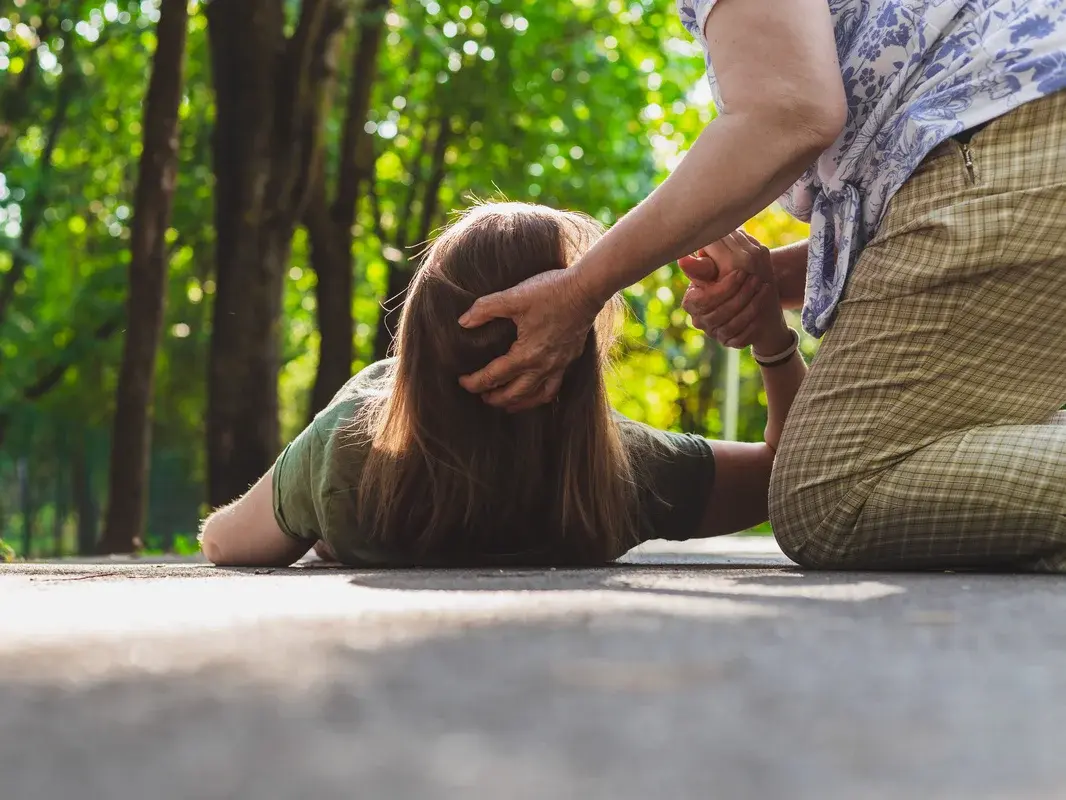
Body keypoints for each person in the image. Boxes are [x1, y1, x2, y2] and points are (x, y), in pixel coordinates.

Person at [455, 1, 1066, 571]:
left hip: (1011, 127)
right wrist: (768, 287)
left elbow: (789, 111)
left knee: (829, 498)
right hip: (1027, 122)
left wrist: (582, 288)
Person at [198, 203, 805, 568]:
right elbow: (790, 476)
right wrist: (773, 342)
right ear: (573, 354)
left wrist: (321, 509)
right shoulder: (620, 473)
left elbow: (223, 543)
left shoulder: (349, 450)